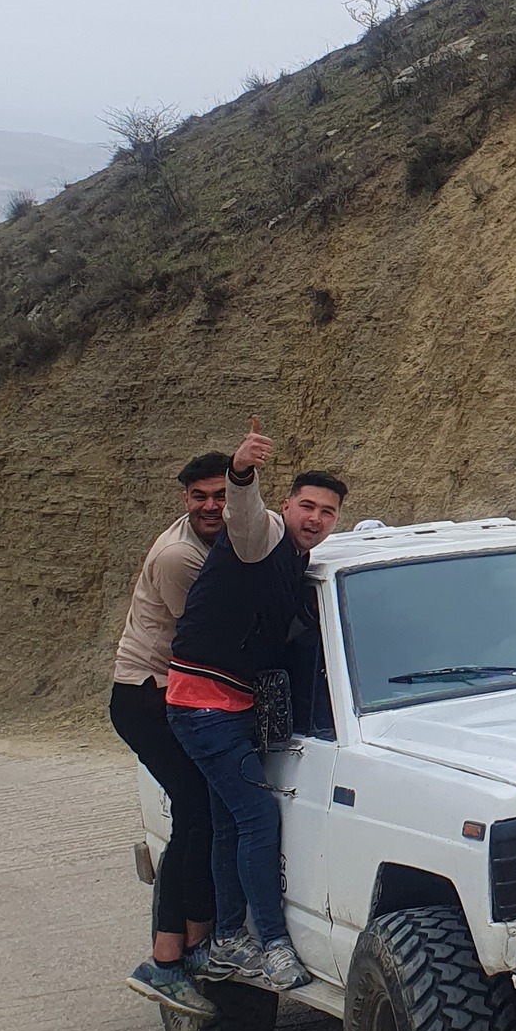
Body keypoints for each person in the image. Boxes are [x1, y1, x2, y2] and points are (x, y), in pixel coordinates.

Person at [167, 421, 346, 995]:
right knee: (257, 817)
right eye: (308, 506)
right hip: (203, 706)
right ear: (288, 505)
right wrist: (242, 471)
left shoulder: (298, 561)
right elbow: (245, 510)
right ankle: (271, 944)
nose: (315, 518)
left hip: (225, 704)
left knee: (228, 825)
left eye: (328, 512)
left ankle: (225, 939)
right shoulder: (262, 534)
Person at [109, 451, 233, 1018]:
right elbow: (212, 637)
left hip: (168, 691)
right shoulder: (180, 556)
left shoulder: (220, 539)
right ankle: (166, 961)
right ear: (185, 499)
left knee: (201, 811)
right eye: (199, 496)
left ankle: (194, 938)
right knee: (196, 812)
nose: (210, 506)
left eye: (220, 496)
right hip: (147, 697)